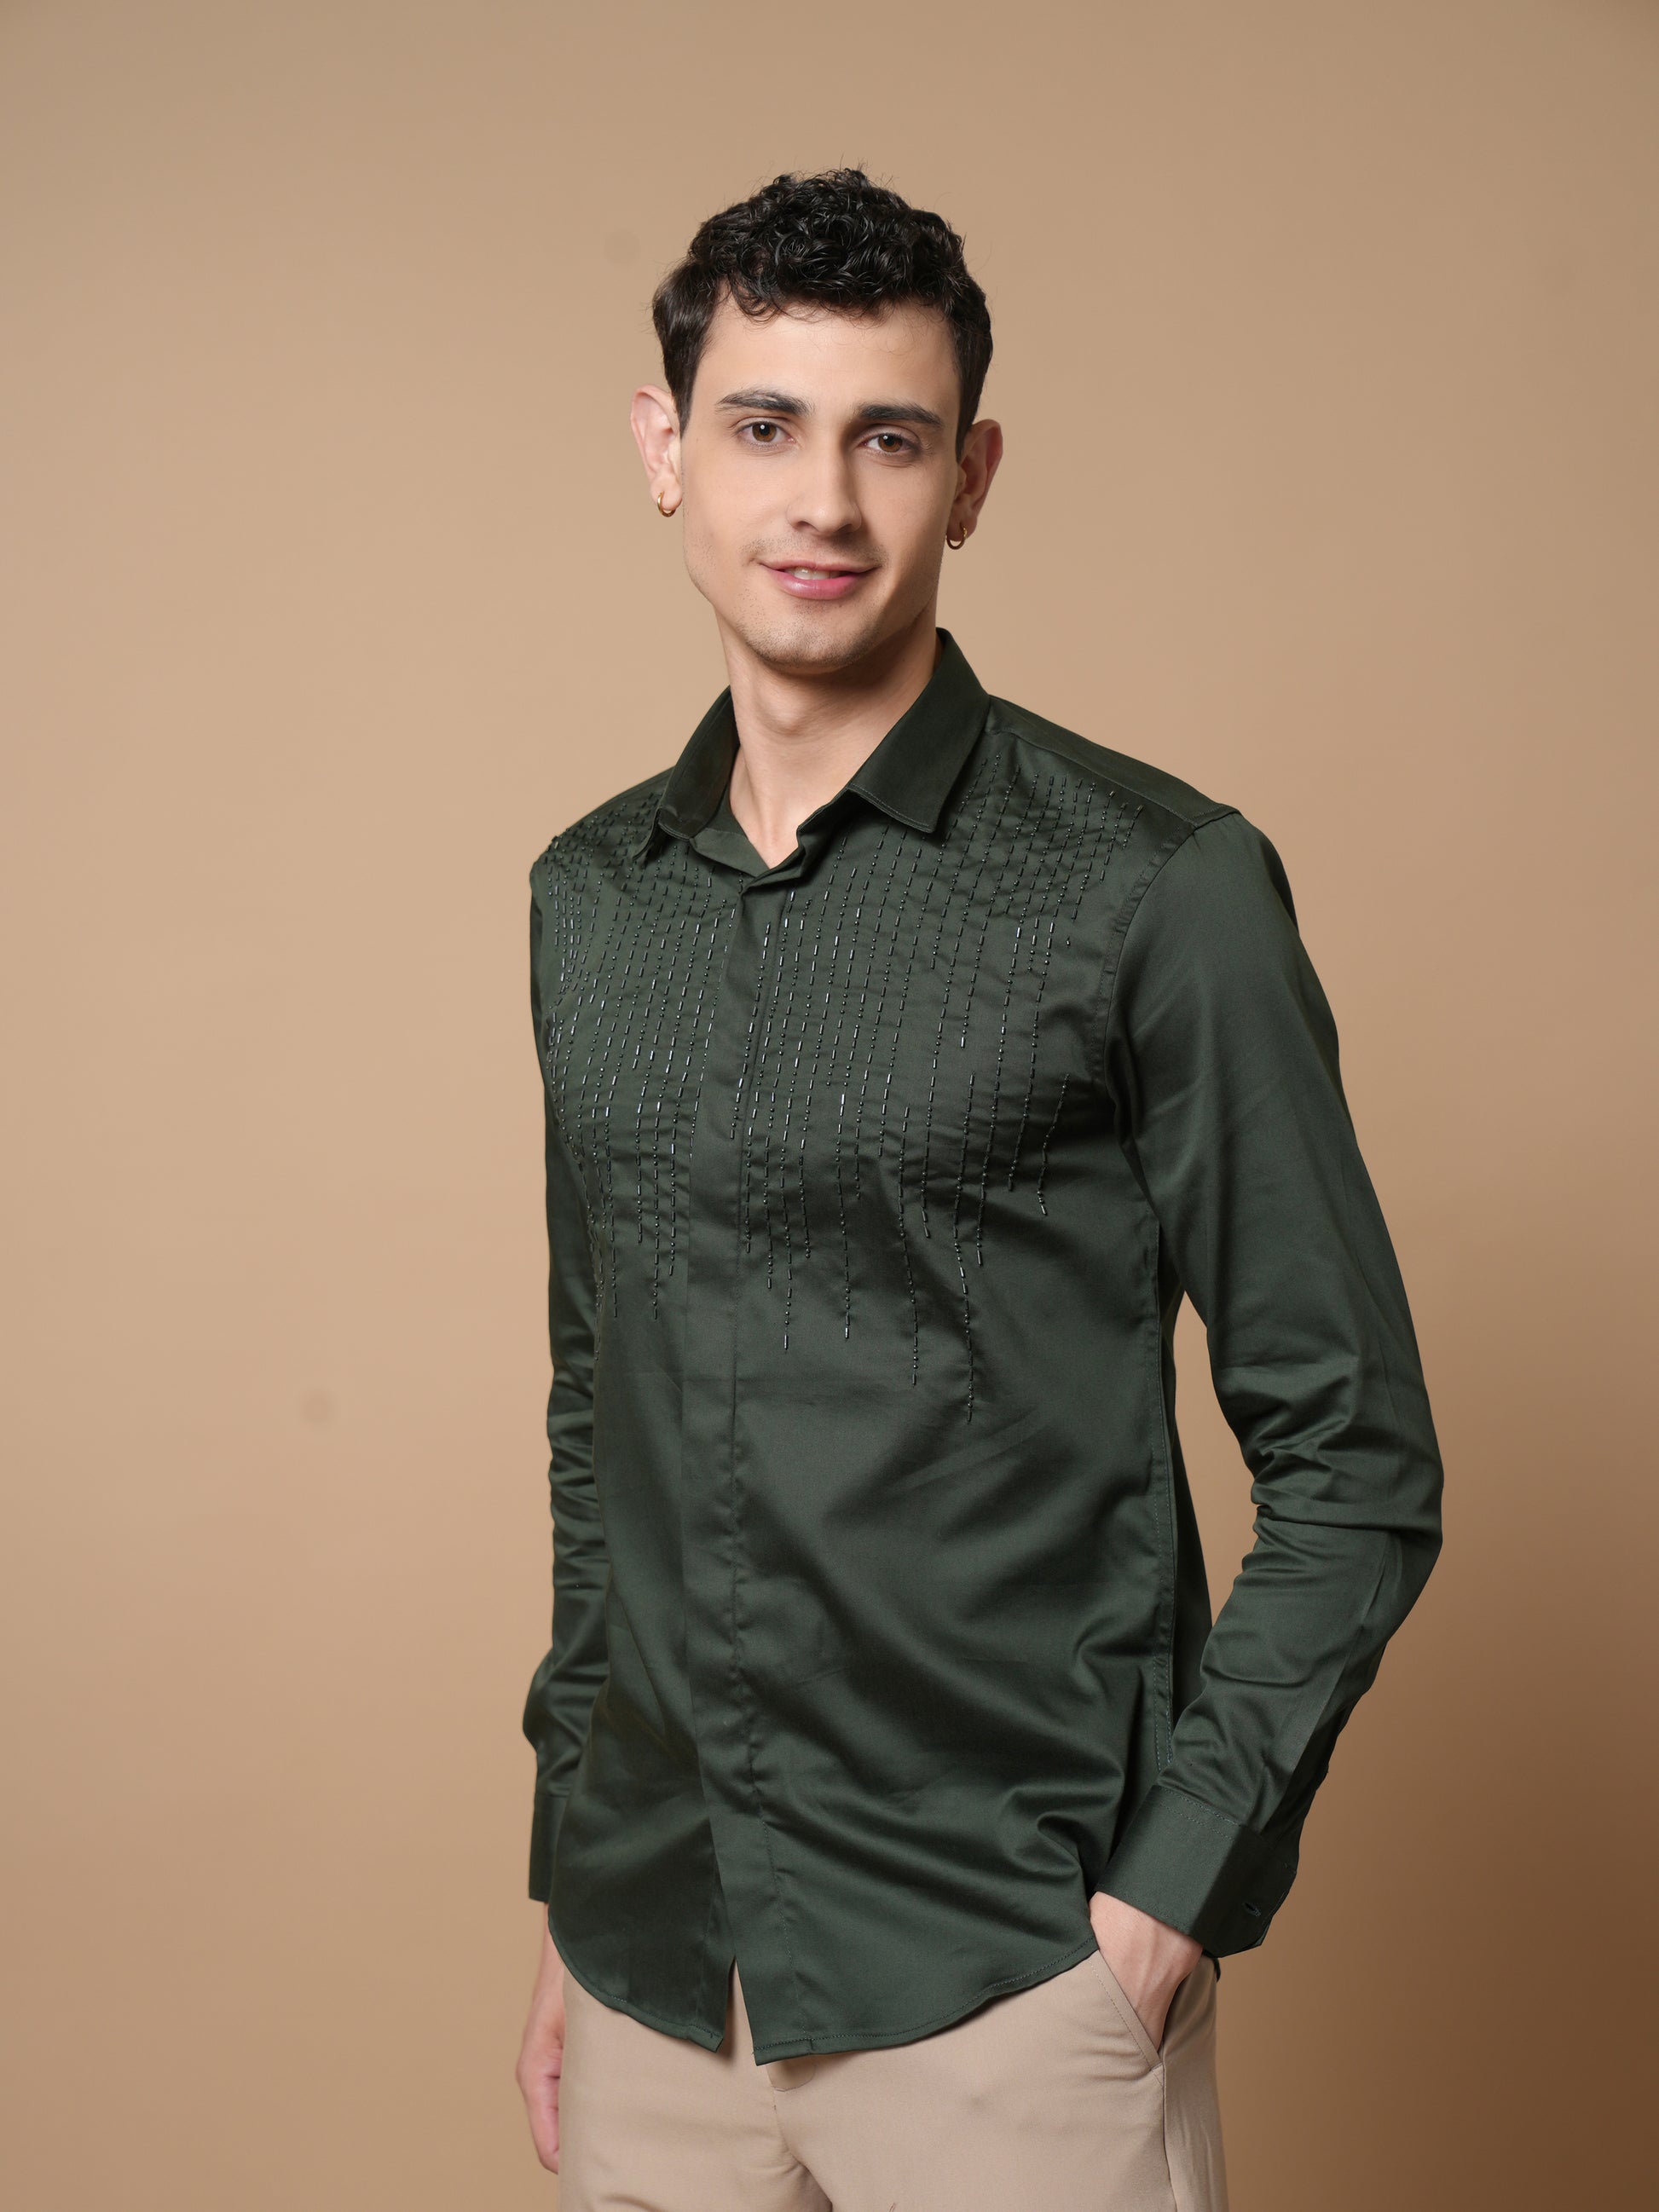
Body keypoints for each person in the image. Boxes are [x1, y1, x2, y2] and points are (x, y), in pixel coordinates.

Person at [512, 168, 1443, 2212]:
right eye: (764, 425)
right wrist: (580, 1878)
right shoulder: (591, 899)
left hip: (1011, 1978)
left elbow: (1356, 1450)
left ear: (972, 475)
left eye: (889, 438)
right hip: (659, 1977)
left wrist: (1167, 1899)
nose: (821, 500)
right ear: (665, 450)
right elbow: (604, 1414)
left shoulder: (1158, 886)